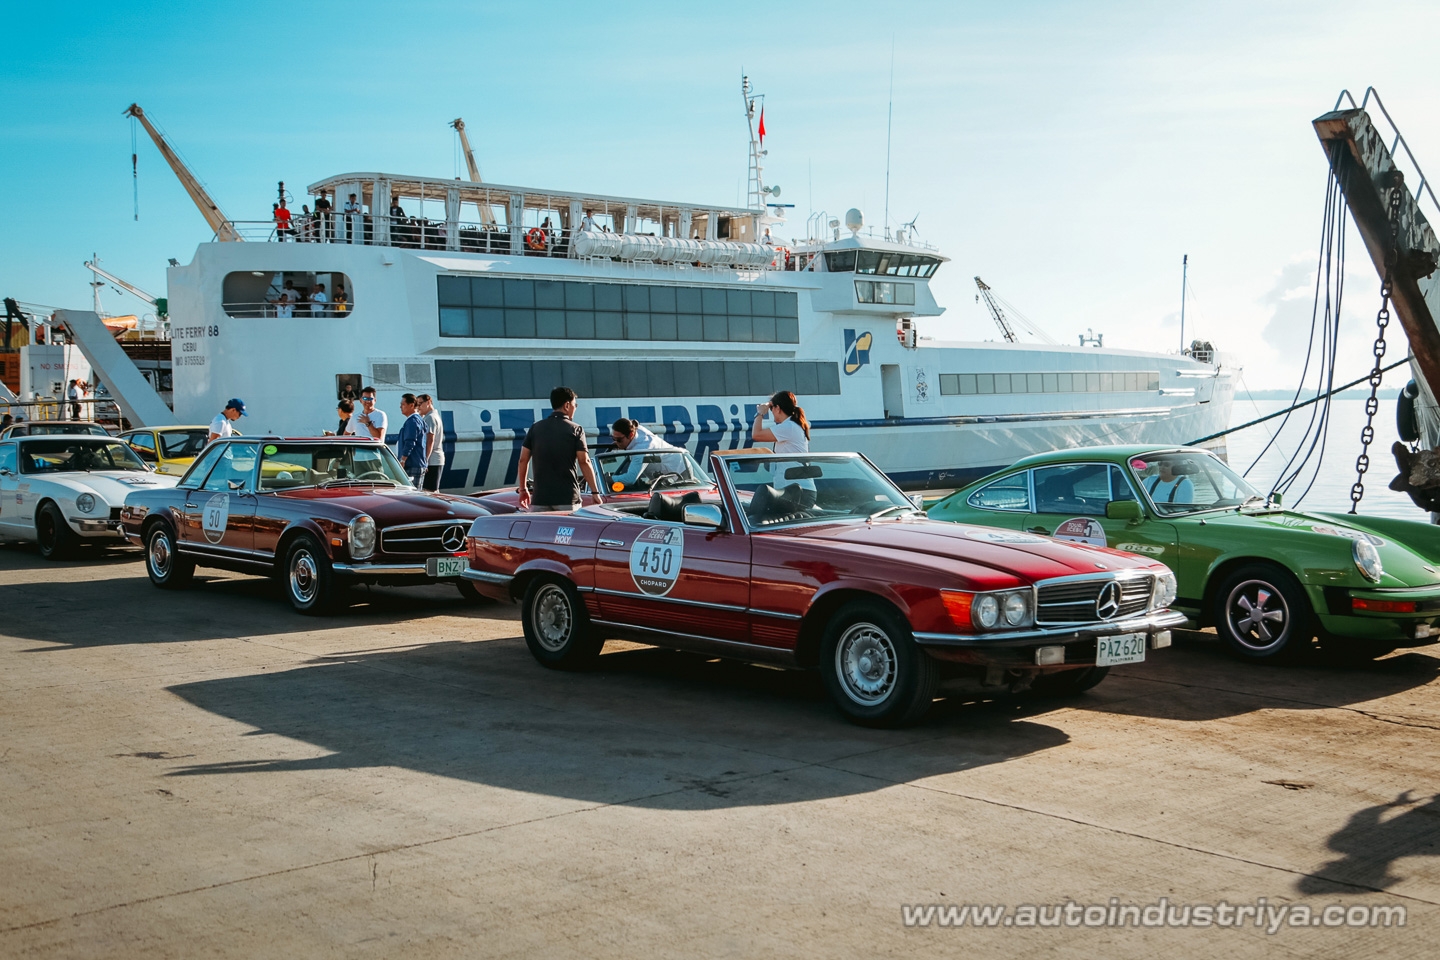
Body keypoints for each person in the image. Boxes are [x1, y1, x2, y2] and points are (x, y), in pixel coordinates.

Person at [516, 386, 605, 512]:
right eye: (575, 404)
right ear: (567, 405)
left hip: (540, 498)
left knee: (542, 531)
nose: (575, 408)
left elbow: (522, 460)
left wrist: (523, 489)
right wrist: (595, 492)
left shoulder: (535, 428)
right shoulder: (576, 429)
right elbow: (584, 461)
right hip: (568, 498)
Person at [751, 390, 815, 507]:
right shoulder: (792, 425)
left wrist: (760, 414)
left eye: (772, 410)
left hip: (796, 491)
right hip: (797, 489)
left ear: (778, 408)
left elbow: (756, 434)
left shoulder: (788, 427)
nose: (772, 413)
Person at [395, 393, 430, 486]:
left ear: (411, 405)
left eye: (403, 404)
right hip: (417, 463)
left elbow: (410, 442)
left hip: (412, 464)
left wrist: (403, 460)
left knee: (411, 495)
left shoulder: (413, 421)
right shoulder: (418, 420)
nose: (400, 407)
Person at [418, 394, 445, 492]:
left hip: (432, 460)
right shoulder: (433, 416)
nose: (418, 407)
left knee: (429, 491)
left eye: (420, 403)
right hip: (435, 459)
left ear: (428, 402)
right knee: (432, 491)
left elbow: (430, 440)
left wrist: (425, 461)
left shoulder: (430, 418)